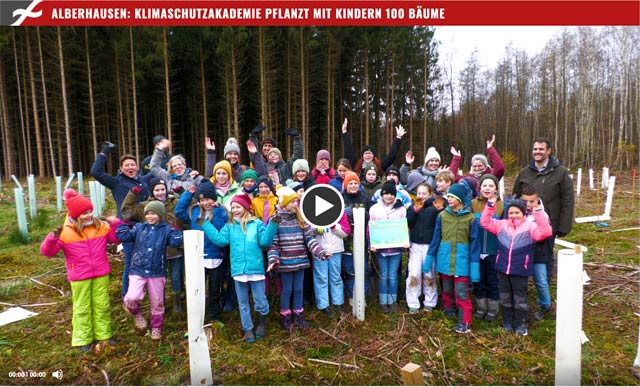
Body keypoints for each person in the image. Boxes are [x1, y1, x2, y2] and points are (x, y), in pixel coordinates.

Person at [40, 189, 119, 352]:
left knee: (102, 305)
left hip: (101, 273)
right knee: (82, 307)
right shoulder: (65, 232)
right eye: (84, 213)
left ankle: (104, 336)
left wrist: (115, 223)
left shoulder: (99, 226)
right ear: (75, 215)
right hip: (79, 276)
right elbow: (47, 252)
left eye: (90, 211)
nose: (89, 215)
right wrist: (52, 237)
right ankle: (83, 339)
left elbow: (116, 238)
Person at [201, 194, 280, 343]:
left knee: (260, 300)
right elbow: (220, 240)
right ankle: (247, 328)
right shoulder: (230, 226)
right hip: (238, 270)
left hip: (255, 268)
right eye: (233, 207)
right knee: (242, 302)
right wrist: (205, 225)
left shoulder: (256, 223)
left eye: (238, 207)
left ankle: (261, 323)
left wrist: (273, 224)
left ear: (245, 207)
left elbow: (264, 242)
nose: (235, 210)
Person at [512, 137, 575, 314]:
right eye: (535, 149)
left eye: (541, 149)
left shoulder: (560, 172)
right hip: (525, 226)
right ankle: (522, 292)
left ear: (549, 151)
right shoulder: (525, 172)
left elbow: (568, 199)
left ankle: (544, 294)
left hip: (549, 224)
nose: (537, 152)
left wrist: (564, 225)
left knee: (544, 259)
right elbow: (515, 195)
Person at [480, 196, 553, 336]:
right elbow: (485, 222)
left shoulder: (530, 226)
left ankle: (521, 323)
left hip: (520, 270)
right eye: (511, 213)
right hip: (502, 268)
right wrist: (490, 205)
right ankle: (507, 322)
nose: (514, 215)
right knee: (505, 297)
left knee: (520, 298)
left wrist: (538, 211)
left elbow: (546, 232)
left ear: (523, 213)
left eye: (517, 212)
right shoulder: (501, 225)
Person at [90, 141, 152, 298]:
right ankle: (127, 295)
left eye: (133, 164)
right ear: (121, 168)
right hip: (128, 228)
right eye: (127, 165)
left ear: (137, 167)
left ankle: (140, 291)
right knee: (130, 263)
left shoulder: (142, 181)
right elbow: (96, 172)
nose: (130, 167)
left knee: (145, 261)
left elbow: (157, 171)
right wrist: (105, 152)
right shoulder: (116, 182)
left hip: (145, 227)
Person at [116, 201, 183, 340]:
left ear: (160, 215)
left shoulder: (166, 230)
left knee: (157, 302)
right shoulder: (139, 228)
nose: (151, 216)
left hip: (157, 271)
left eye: (154, 214)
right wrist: (123, 223)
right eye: (148, 213)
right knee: (131, 297)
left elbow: (176, 242)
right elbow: (124, 236)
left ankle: (156, 328)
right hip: (138, 269)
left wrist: (176, 231)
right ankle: (136, 314)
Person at [121, 177, 185, 313]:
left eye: (163, 189)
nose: (161, 192)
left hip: (175, 247)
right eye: (157, 190)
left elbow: (188, 205)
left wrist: (184, 191)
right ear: (152, 191)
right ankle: (157, 301)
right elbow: (127, 211)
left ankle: (177, 300)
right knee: (158, 278)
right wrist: (133, 194)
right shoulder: (145, 206)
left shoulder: (175, 202)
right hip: (155, 250)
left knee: (176, 275)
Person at [267, 187, 328, 330]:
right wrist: (273, 260)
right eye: (293, 201)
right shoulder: (275, 220)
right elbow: (273, 244)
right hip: (286, 264)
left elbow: (310, 240)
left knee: (299, 289)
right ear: (285, 203)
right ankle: (285, 316)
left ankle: (299, 315)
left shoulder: (301, 219)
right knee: (287, 290)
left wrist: (320, 252)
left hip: (300, 261)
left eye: (296, 201)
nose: (296, 203)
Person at [424, 183, 480, 334]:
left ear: (460, 199)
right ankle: (449, 310)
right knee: (447, 289)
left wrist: (474, 269)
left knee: (461, 292)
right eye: (448, 196)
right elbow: (436, 239)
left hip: (461, 263)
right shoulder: (442, 216)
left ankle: (465, 323)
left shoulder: (471, 219)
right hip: (444, 261)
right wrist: (429, 260)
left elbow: (475, 245)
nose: (448, 199)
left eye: (452, 197)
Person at [175, 181, 229, 324]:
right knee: (197, 289)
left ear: (214, 199)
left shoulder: (220, 211)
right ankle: (197, 318)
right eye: (202, 199)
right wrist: (188, 194)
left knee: (214, 289)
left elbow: (224, 226)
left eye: (208, 199)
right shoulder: (194, 211)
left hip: (216, 257)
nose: (205, 202)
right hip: (197, 257)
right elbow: (179, 212)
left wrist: (218, 211)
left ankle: (214, 318)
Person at [368, 181, 408, 313]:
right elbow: (370, 229)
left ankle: (393, 300)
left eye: (392, 194)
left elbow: (404, 228)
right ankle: (383, 302)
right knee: (384, 275)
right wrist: (371, 244)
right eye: (386, 194)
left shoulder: (401, 209)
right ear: (382, 194)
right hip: (381, 250)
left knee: (393, 275)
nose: (389, 197)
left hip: (396, 249)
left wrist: (406, 241)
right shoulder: (374, 209)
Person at [470, 174, 504, 322]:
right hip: (476, 250)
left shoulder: (502, 205)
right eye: (484, 185)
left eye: (491, 186)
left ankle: (493, 309)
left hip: (493, 250)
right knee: (478, 279)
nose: (487, 188)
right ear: (480, 187)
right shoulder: (473, 204)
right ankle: (481, 307)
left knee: (492, 280)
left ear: (496, 188)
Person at [519, 183, 554, 321]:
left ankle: (545, 306)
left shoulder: (542, 214)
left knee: (541, 281)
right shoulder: (517, 213)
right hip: (522, 254)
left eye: (531, 201)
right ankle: (521, 304)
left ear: (537, 200)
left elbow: (545, 233)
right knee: (521, 281)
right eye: (524, 201)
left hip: (538, 255)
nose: (528, 204)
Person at [406, 183, 441, 314]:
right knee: (414, 273)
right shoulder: (412, 207)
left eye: (424, 193)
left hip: (429, 246)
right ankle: (413, 302)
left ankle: (430, 302)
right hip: (415, 245)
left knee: (429, 273)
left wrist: (439, 209)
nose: (421, 196)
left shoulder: (434, 208)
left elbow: (439, 224)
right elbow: (408, 222)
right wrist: (415, 210)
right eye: (419, 193)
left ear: (430, 195)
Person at [341, 172, 372, 305]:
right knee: (349, 270)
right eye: (350, 183)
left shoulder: (365, 198)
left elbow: (372, 215)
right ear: (346, 185)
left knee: (363, 270)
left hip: (361, 242)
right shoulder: (340, 198)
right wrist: (343, 211)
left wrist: (362, 213)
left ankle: (362, 296)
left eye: (355, 183)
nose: (353, 186)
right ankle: (351, 296)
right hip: (346, 241)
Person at [312, 210, 350, 318]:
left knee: (336, 277)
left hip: (336, 250)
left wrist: (334, 226)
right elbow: (307, 229)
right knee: (321, 278)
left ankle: (338, 303)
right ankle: (323, 305)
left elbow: (345, 232)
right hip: (319, 250)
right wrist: (317, 229)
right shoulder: (313, 211)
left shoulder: (339, 212)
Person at [341, 118, 406, 179]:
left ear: (374, 156)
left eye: (370, 153)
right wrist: (344, 132)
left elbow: (391, 156)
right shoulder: (356, 165)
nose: (368, 155)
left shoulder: (380, 166)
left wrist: (398, 138)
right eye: (366, 153)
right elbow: (349, 150)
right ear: (362, 156)